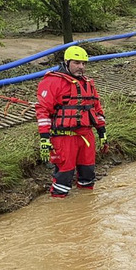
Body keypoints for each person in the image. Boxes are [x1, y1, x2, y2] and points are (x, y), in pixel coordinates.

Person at [36, 46, 106, 198]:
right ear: (67, 62)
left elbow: (97, 109)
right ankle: (59, 208)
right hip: (64, 137)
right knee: (64, 177)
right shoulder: (53, 82)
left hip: (86, 136)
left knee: (88, 176)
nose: (81, 67)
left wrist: (102, 132)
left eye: (83, 63)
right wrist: (44, 138)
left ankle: (85, 207)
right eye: (77, 63)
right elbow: (43, 111)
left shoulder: (88, 83)